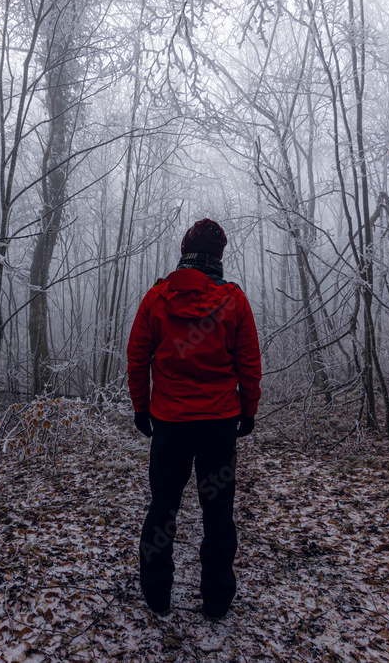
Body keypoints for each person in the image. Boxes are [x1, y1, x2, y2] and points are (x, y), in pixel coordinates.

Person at [126, 218, 262, 620]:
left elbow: (137, 359)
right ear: (218, 256)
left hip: (170, 425)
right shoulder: (234, 301)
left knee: (163, 508)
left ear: (185, 252)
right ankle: (217, 601)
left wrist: (141, 407)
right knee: (218, 513)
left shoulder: (156, 298)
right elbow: (249, 365)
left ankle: (156, 595)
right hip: (219, 427)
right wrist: (248, 410)